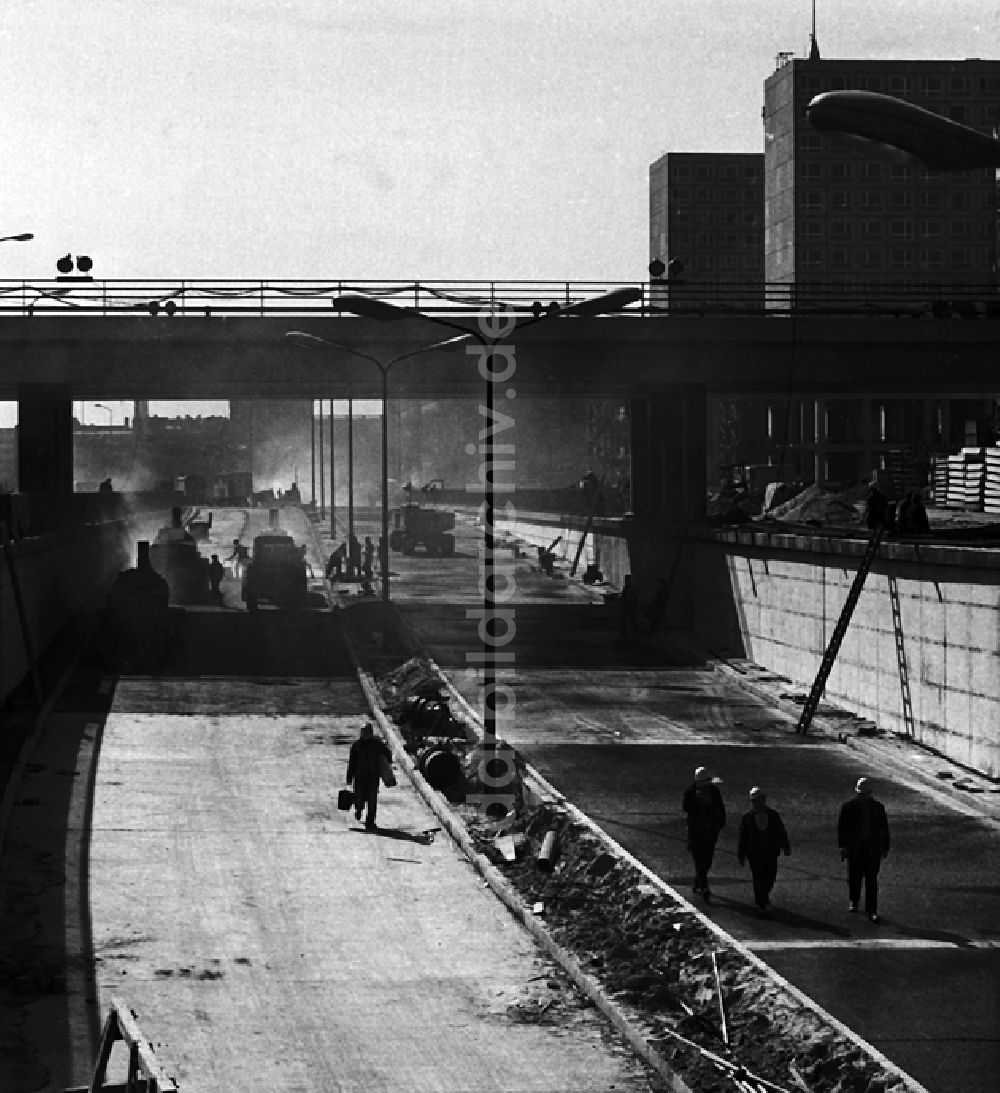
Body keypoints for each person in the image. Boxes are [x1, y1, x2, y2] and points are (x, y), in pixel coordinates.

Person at [837, 776, 890, 924]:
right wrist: (844, 846)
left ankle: (871, 908)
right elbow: (843, 828)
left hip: (872, 849)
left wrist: (885, 846)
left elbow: (884, 828)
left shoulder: (878, 808)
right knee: (854, 877)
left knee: (871, 879)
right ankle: (854, 899)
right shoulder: (848, 807)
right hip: (855, 848)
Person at [737, 787, 791, 917]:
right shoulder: (747, 818)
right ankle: (761, 903)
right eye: (754, 801)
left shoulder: (773, 815)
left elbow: (781, 831)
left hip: (770, 852)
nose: (757, 803)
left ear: (764, 800)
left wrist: (785, 846)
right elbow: (743, 837)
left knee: (771, 876)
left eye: (759, 800)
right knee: (758, 878)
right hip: (755, 854)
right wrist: (741, 854)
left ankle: (763, 898)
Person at [682, 766, 726, 903]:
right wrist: (697, 800)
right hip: (696, 832)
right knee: (699, 858)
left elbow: (720, 808)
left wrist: (719, 824)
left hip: (710, 831)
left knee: (707, 859)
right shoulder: (690, 791)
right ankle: (704, 886)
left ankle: (699, 881)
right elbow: (686, 807)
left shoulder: (714, 791)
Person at [346, 722, 392, 830]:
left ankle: (370, 822)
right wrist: (349, 776)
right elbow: (352, 762)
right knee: (359, 797)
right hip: (360, 777)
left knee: (372, 800)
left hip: (372, 777)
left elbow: (388, 755)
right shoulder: (357, 746)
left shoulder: (377, 744)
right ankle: (358, 809)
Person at [619, 574, 641, 640]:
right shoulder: (630, 586)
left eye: (626, 579)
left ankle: (629, 633)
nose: (625, 581)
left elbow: (636, 593)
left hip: (629, 605)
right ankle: (630, 633)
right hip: (629, 604)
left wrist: (629, 598)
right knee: (629, 619)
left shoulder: (631, 586)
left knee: (629, 619)